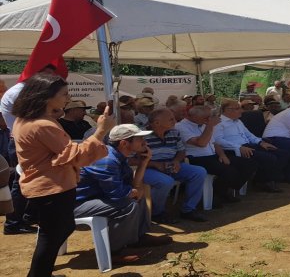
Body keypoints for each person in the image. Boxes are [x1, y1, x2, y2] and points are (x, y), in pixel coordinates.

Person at [11, 73, 115, 277]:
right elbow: (74, 156)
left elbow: (59, 153)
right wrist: (100, 131)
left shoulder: (29, 120)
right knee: (51, 236)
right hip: (51, 186)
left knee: (59, 230)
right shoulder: (42, 124)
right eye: (64, 94)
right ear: (46, 96)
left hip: (49, 183)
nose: (67, 98)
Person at [75, 124, 171, 261]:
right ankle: (114, 252)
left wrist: (144, 162)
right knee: (127, 204)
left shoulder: (118, 156)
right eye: (139, 139)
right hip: (77, 205)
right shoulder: (107, 160)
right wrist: (134, 191)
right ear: (124, 143)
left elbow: (133, 186)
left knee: (138, 196)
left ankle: (139, 238)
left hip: (96, 198)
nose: (145, 142)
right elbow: (119, 195)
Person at [1, 64, 57, 236]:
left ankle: (25, 218)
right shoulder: (22, 92)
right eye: (48, 76)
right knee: (22, 182)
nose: (51, 80)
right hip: (21, 142)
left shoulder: (25, 91)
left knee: (28, 180)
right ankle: (13, 223)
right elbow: (34, 117)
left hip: (23, 141)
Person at [177, 105, 257, 204]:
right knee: (229, 171)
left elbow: (215, 143)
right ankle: (217, 194)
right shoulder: (181, 127)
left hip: (213, 155)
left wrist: (222, 155)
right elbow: (201, 143)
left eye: (209, 117)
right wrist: (210, 126)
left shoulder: (202, 123)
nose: (208, 119)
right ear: (192, 116)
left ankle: (222, 190)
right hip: (197, 158)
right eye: (205, 118)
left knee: (248, 164)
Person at [143, 108, 208, 223]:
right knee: (165, 181)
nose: (175, 121)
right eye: (171, 119)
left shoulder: (174, 132)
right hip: (147, 167)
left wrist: (177, 161)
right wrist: (155, 164)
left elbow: (181, 151)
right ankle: (157, 213)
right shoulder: (142, 135)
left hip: (171, 163)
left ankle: (188, 209)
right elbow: (130, 160)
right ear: (157, 123)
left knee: (199, 172)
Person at [214, 99, 288, 192]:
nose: (241, 111)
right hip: (234, 149)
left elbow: (249, 135)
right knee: (268, 158)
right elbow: (218, 140)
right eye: (238, 108)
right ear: (228, 110)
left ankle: (265, 178)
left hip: (248, 145)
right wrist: (238, 147)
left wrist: (260, 142)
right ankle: (265, 181)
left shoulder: (238, 121)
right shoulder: (219, 123)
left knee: (281, 153)